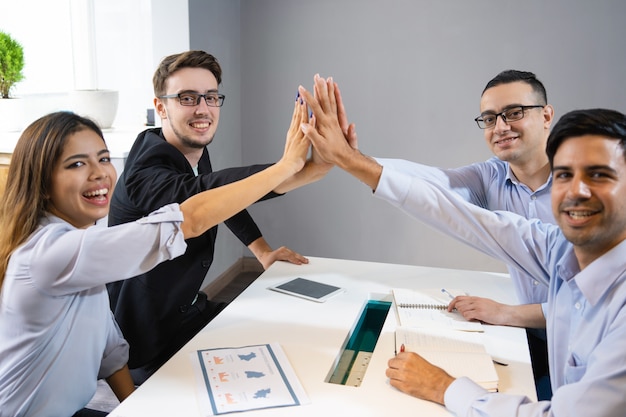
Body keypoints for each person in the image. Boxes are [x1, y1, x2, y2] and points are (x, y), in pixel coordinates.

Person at [301, 80, 626, 415]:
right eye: (563, 175)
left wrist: (445, 387)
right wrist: (349, 159)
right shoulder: (558, 246)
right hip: (534, 348)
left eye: (599, 175)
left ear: (546, 116)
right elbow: (444, 201)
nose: (577, 191)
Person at [0, 105, 312, 417]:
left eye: (103, 159)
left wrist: (135, 407)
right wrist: (286, 166)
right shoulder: (52, 253)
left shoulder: (77, 255)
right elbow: (189, 220)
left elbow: (111, 353)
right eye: (77, 164)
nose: (99, 173)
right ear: (41, 182)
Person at [107, 50, 331, 384]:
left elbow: (223, 200)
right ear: (160, 107)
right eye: (187, 98)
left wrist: (262, 251)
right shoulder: (145, 172)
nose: (203, 109)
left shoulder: (188, 149)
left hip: (186, 309)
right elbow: (200, 198)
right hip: (146, 340)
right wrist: (288, 168)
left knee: (283, 340)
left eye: (211, 97)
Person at [327, 70, 555, 397]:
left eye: (514, 113)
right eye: (490, 119)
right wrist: (352, 158)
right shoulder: (493, 174)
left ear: (546, 115)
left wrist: (508, 313)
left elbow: (589, 300)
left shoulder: (585, 190)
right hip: (530, 336)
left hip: (581, 345)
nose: (501, 127)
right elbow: (434, 182)